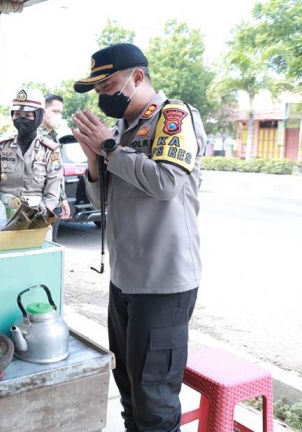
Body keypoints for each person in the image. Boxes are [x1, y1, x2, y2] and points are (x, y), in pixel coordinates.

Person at [71, 43, 206, 432]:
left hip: (163, 284)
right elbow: (102, 200)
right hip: (125, 279)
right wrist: (93, 161)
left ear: (137, 78)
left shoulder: (173, 116)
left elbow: (165, 183)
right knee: (129, 387)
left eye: (108, 85)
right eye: (97, 91)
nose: (103, 96)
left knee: (155, 401)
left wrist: (110, 151)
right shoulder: (119, 131)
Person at [0, 88, 63, 213]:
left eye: (27, 115)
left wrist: (36, 214)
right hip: (4, 217)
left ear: (39, 116)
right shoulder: (1, 147)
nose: (21, 119)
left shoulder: (51, 150)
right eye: (17, 114)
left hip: (37, 218)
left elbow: (52, 194)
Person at [38, 93, 71, 241]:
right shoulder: (35, 136)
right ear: (43, 111)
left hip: (54, 200)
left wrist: (62, 198)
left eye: (61, 112)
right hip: (40, 203)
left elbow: (55, 170)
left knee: (51, 243)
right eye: (54, 111)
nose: (58, 115)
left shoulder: (53, 136)